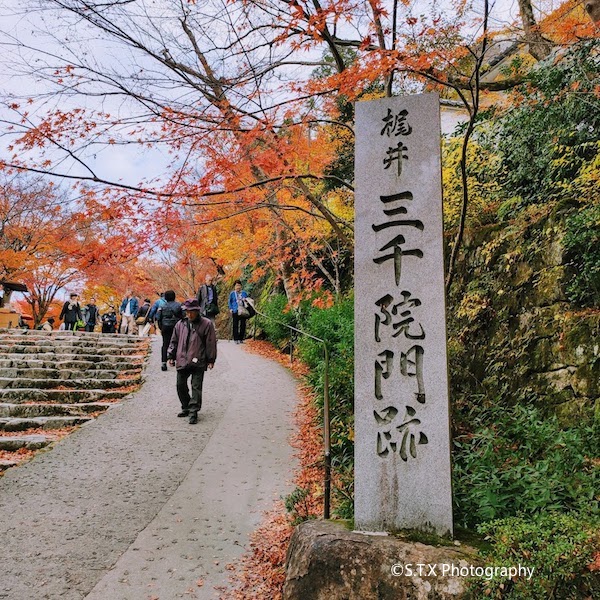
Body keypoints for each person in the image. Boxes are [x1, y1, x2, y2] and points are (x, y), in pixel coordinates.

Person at [167, 298, 217, 424]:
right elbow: (174, 341)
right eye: (187, 312)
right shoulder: (180, 324)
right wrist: (170, 356)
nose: (189, 314)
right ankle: (186, 406)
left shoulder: (206, 324)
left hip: (198, 359)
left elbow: (210, 342)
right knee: (180, 385)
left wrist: (211, 359)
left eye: (191, 312)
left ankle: (193, 411)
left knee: (196, 386)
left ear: (197, 311)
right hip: (182, 359)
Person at [157, 290, 182, 371]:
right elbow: (183, 317)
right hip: (176, 327)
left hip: (165, 327)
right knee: (177, 344)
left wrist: (161, 327)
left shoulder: (162, 306)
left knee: (165, 344)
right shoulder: (179, 305)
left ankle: (164, 363)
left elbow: (158, 318)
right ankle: (174, 360)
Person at [228, 280, 249, 344]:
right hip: (235, 310)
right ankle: (236, 339)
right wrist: (231, 308)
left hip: (243, 310)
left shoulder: (244, 293)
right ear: (234, 286)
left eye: (239, 285)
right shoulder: (232, 293)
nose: (238, 287)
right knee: (235, 325)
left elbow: (248, 301)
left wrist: (245, 300)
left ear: (241, 286)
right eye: (236, 285)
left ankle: (241, 338)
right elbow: (230, 301)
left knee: (243, 325)